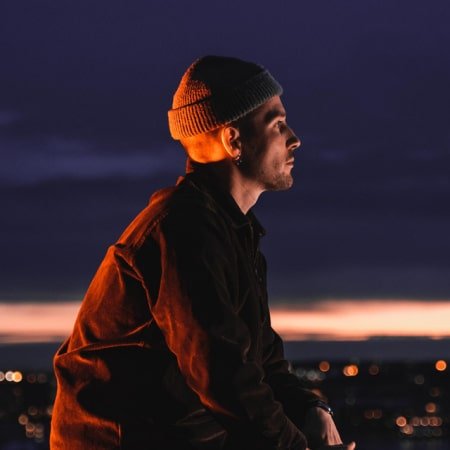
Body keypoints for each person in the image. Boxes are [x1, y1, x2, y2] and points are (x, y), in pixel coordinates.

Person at [50, 55, 355, 450]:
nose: (293, 138)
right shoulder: (183, 230)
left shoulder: (230, 232)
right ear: (233, 140)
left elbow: (262, 362)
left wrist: (311, 409)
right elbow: (223, 376)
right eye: (277, 124)